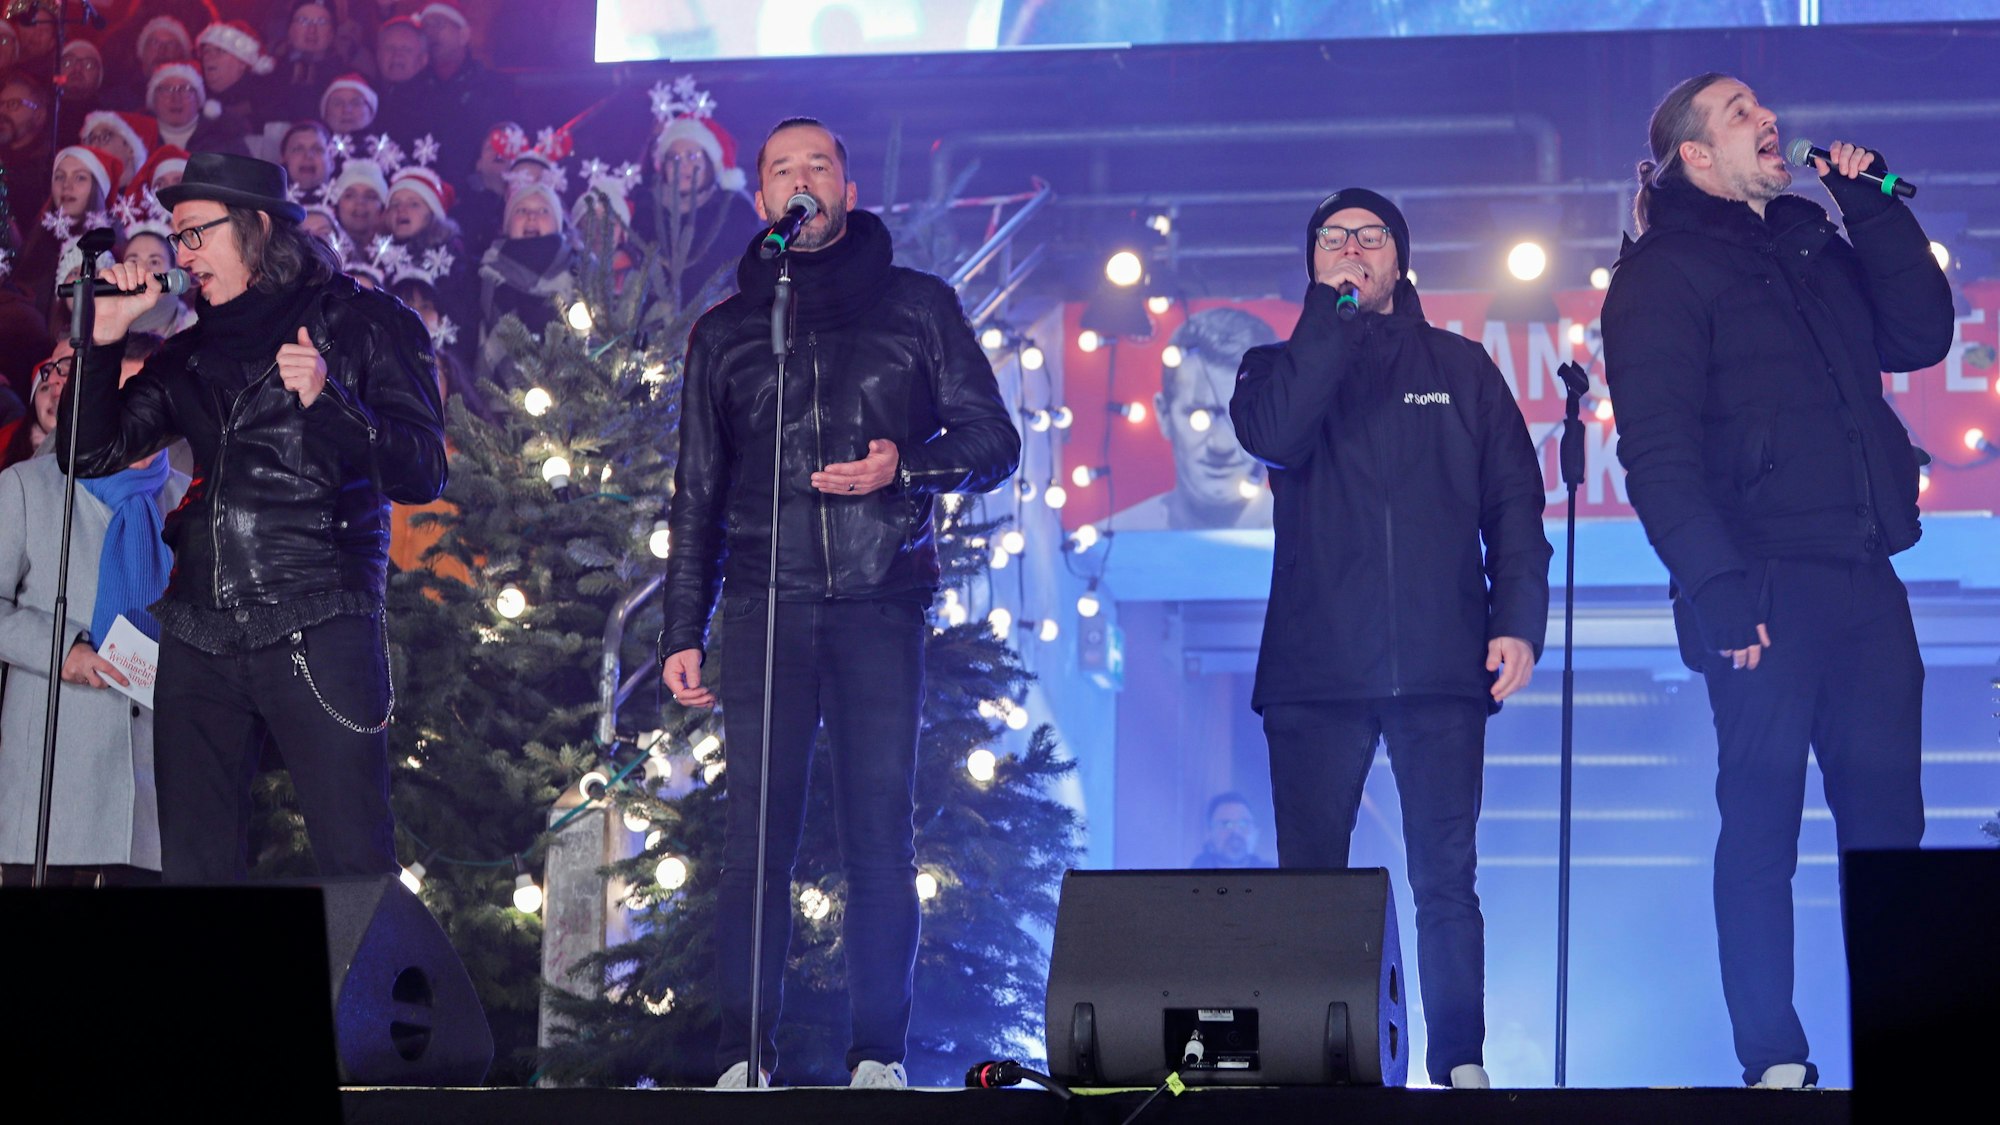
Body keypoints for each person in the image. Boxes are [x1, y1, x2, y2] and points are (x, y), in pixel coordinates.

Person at [1598, 73, 1953, 1091]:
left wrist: (1872, 204)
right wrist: (1714, 586)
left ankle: (1909, 1041)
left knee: (1888, 823)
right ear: (1696, 159)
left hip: (1859, 567)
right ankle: (1773, 1058)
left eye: (1763, 108)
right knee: (1760, 822)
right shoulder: (1661, 274)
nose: (1768, 123)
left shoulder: (1808, 240)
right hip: (1754, 581)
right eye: (1739, 114)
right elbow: (1656, 451)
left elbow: (1917, 335)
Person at [659, 116, 1019, 1090]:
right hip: (764, 607)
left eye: (818, 166)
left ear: (846, 192)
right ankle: (742, 1058)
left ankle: (875, 1056)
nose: (800, 181)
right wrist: (679, 628)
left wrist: (907, 468)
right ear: (764, 200)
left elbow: (994, 441)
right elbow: (693, 492)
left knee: (877, 837)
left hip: (876, 601)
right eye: (782, 170)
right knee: (753, 842)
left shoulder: (916, 308)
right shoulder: (728, 332)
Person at [1229, 186, 1551, 1092]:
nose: (1352, 248)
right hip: (1314, 668)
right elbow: (1281, 438)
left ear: (1400, 259)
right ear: (1311, 262)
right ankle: (1311, 1057)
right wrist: (1326, 323)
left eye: (1371, 236)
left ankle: (1459, 1058)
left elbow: (1514, 505)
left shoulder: (1461, 366)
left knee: (1446, 880)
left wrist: (1518, 619)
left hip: (1440, 663)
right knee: (1311, 883)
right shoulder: (1271, 368)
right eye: (1334, 238)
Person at [56, 151, 447, 883]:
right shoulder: (190, 351)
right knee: (195, 868)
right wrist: (103, 341)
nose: (182, 255)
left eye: (196, 234)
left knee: (353, 862)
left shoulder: (364, 323)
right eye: (175, 239)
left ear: (257, 228)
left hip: (317, 616)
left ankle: (363, 1000)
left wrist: (331, 405)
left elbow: (423, 469)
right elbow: (88, 451)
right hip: (199, 626)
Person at [0, 347, 187, 887]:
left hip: (152, 794)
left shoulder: (186, 501)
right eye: (116, 394)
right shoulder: (29, 487)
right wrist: (63, 650)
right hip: (51, 786)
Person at [1103, 306, 1278, 531]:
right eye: (1200, 415)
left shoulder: (1310, 533)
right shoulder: (1116, 538)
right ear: (1164, 414)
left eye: (1244, 416)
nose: (1222, 445)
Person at [0, 71, 54, 220]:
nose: (2, 111)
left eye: (13, 104)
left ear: (39, 115)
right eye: (1, 104)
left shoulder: (47, 169)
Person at [1188, 791, 1275, 868]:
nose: (1235, 831)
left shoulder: (1273, 877)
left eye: (1243, 823)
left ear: (1256, 833)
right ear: (1209, 833)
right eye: (1225, 824)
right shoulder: (1189, 877)